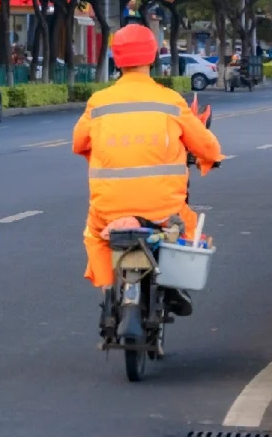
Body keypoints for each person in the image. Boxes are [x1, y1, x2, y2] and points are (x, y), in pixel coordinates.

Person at [72, 23, 223, 291]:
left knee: (94, 236)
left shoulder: (98, 102)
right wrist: (212, 157)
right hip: (164, 211)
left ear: (117, 59)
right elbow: (205, 145)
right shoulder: (170, 100)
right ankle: (176, 289)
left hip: (108, 210)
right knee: (189, 231)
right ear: (153, 57)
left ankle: (107, 288)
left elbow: (79, 143)